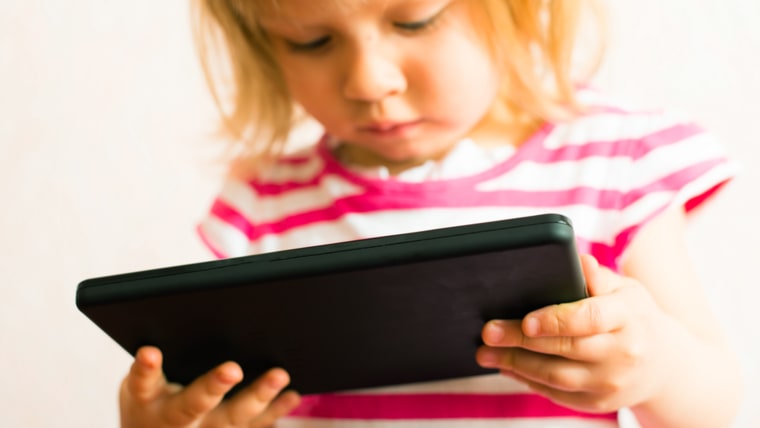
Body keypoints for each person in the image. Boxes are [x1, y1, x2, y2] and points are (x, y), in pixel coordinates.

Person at [119, 0, 743, 426]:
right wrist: (176, 413)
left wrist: (652, 362)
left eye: (415, 20)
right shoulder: (264, 200)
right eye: (312, 40)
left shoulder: (615, 161)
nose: (369, 81)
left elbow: (715, 405)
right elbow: (220, 393)